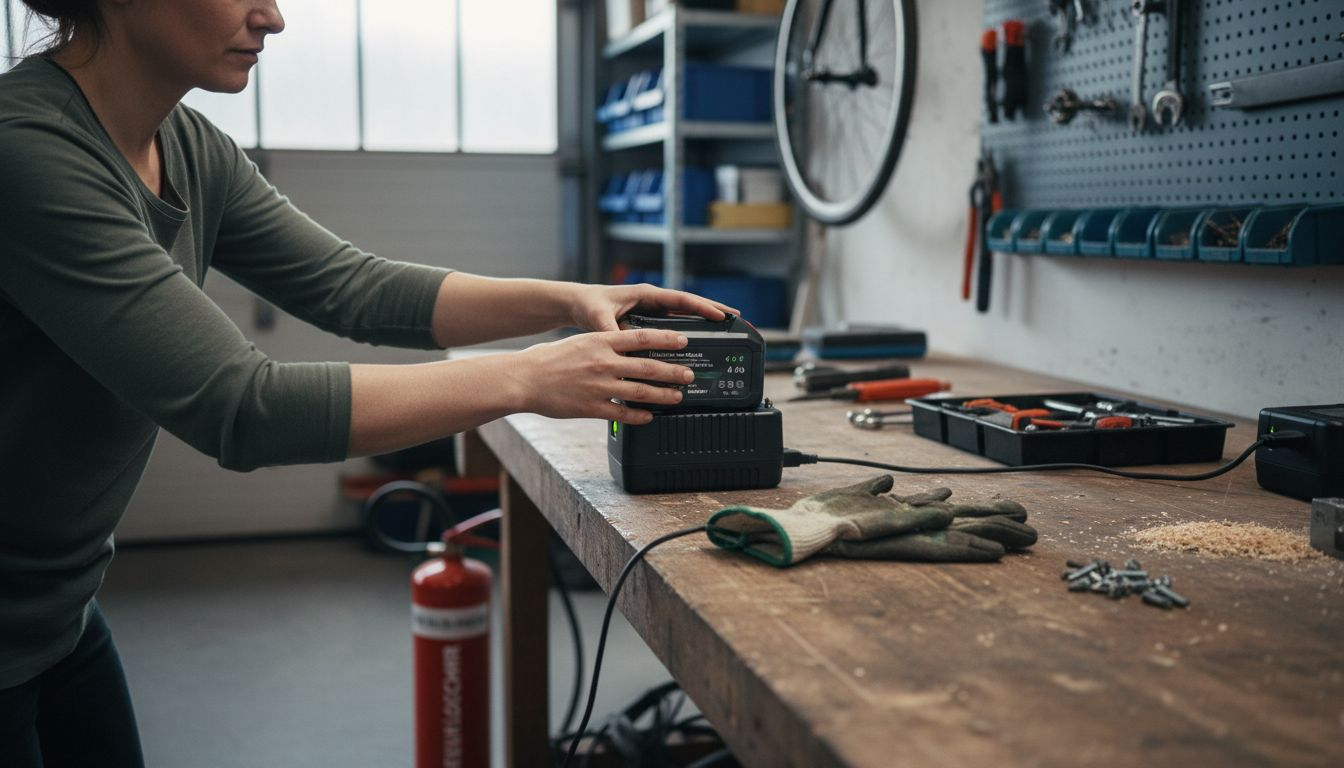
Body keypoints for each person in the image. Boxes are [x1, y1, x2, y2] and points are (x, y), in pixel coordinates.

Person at [0, 2, 735, 765]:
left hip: (59, 615)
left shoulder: (184, 145)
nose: (273, 17)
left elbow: (355, 288)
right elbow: (242, 407)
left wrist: (571, 302)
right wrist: (527, 376)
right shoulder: (27, 151)